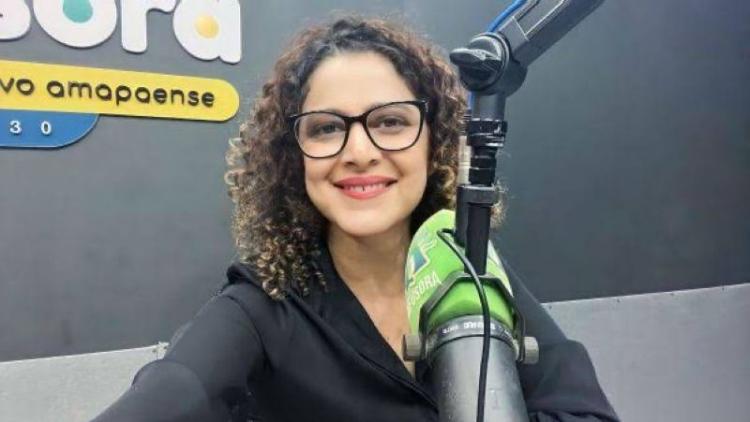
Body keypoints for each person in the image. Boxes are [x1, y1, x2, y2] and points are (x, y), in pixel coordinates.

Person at [92, 15, 619, 422]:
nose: (360, 152)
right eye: (326, 128)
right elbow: (176, 389)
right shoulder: (262, 307)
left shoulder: (467, 264)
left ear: (434, 140)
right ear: (293, 156)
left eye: (390, 122)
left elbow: (583, 410)